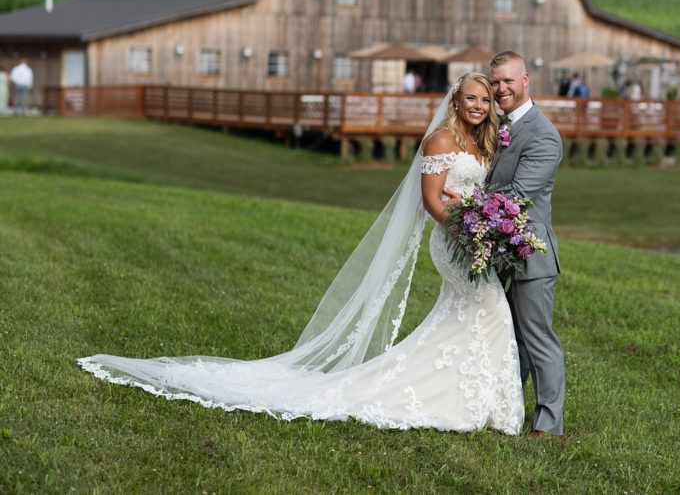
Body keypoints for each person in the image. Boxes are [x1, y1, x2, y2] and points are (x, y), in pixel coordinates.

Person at [78, 73, 525, 434]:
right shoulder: (442, 142)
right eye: (471, 98)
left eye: (485, 101)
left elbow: (473, 192)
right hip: (454, 243)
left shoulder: (483, 142)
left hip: (474, 240)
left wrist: (484, 225)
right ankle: (466, 401)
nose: (479, 106)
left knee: (472, 316)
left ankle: (471, 400)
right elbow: (432, 201)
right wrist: (467, 233)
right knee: (491, 312)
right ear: (455, 101)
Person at [481, 51, 565, 437]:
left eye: (508, 82)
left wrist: (463, 206)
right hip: (498, 250)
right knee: (505, 335)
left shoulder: (543, 134)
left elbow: (514, 196)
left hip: (530, 251)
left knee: (535, 338)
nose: (500, 90)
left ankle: (548, 423)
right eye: (495, 82)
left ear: (526, 80)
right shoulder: (499, 125)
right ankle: (502, 404)